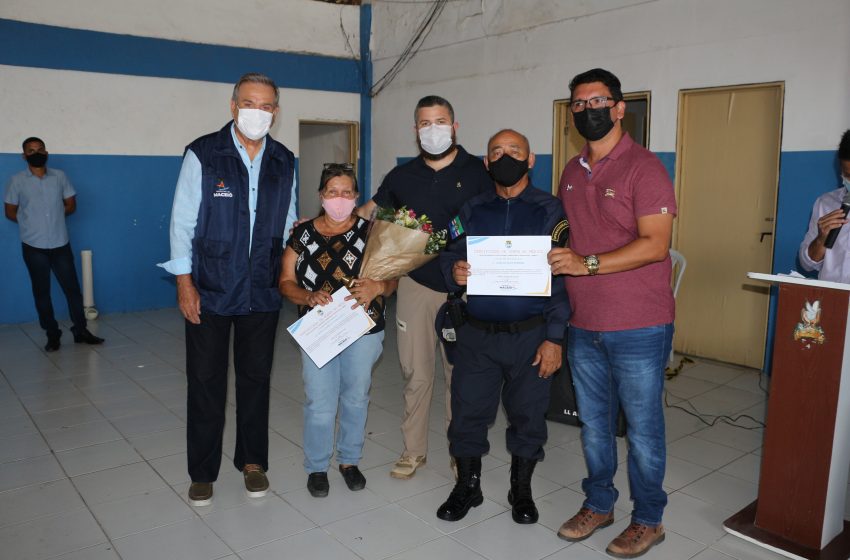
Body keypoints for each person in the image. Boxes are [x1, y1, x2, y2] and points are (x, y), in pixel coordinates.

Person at [547, 68, 676, 558]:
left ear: (620, 108)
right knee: (594, 426)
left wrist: (588, 264)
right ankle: (599, 504)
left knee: (643, 430)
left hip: (639, 325)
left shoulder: (645, 168)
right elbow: (565, 240)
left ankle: (649, 519)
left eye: (598, 101)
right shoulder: (570, 171)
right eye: (578, 104)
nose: (588, 111)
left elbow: (656, 245)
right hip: (585, 324)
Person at [158, 72, 298, 507]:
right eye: (250, 103)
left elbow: (290, 224)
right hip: (211, 286)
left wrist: (293, 275)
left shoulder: (284, 159)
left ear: (275, 111)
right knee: (205, 380)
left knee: (256, 378)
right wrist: (184, 282)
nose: (258, 112)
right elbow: (182, 222)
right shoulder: (204, 153)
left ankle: (253, 461)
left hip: (263, 286)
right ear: (234, 105)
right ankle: (202, 471)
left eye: (267, 105)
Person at [435, 129, 570, 524]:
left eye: (515, 151)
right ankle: (468, 486)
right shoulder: (473, 209)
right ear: (486, 162)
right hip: (477, 335)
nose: (505, 157)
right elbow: (448, 251)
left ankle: (521, 488)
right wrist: (453, 271)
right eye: (497, 151)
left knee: (529, 415)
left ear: (531, 161)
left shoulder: (549, 209)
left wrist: (555, 338)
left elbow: (561, 278)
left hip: (531, 334)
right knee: (466, 414)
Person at [358, 95, 493, 479]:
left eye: (440, 121)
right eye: (424, 123)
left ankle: (459, 451)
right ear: (415, 130)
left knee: (460, 375)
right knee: (415, 374)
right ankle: (413, 450)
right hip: (415, 287)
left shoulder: (481, 173)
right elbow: (371, 213)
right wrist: (325, 223)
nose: (433, 129)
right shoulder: (401, 178)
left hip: (465, 289)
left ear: (455, 126)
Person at [279, 163, 397, 497]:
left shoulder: (373, 233)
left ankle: (349, 460)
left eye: (347, 192)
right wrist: (307, 295)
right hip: (319, 329)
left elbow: (392, 279)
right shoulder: (301, 235)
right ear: (321, 195)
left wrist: (379, 287)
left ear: (356, 196)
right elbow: (285, 282)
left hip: (364, 328)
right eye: (333, 192)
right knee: (319, 401)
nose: (339, 198)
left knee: (356, 396)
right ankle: (317, 467)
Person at [4, 137, 104, 352]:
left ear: (46, 152)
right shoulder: (17, 180)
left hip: (60, 244)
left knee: (73, 291)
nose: (36, 153)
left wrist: (57, 216)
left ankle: (81, 330)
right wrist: (30, 222)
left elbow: (71, 205)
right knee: (42, 293)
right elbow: (9, 211)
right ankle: (52, 334)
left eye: (40, 149)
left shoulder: (60, 177)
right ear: (24, 156)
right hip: (33, 245)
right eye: (31, 151)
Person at [799, 130, 850, 281]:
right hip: (830, 299)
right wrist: (821, 239)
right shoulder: (826, 203)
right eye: (847, 174)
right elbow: (806, 264)